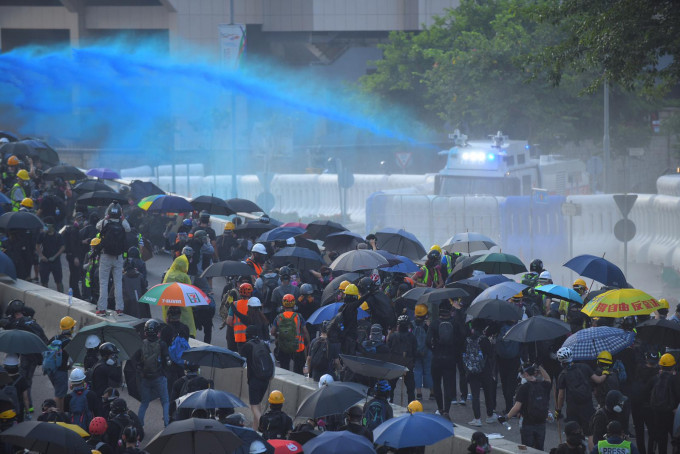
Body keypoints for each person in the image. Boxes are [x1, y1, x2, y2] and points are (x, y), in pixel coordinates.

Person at [556, 346, 607, 441]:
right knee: (590, 433)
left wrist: (558, 410)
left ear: (561, 361)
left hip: (572, 408)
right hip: (587, 405)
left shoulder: (562, 375)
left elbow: (561, 395)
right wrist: (605, 373)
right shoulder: (585, 367)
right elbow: (598, 380)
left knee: (573, 433)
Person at [499, 363, 552, 450]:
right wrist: (539, 366)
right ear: (534, 373)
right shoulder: (543, 385)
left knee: (527, 449)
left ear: (526, 374)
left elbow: (517, 407)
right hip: (541, 422)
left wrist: (506, 417)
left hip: (528, 423)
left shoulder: (523, 388)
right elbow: (548, 379)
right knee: (539, 449)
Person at [132, 319, 171, 427]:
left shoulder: (142, 344)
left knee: (144, 403)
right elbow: (168, 362)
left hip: (145, 378)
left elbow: (136, 361)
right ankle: (167, 424)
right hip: (159, 377)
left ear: (145, 333)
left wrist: (141, 372)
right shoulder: (162, 344)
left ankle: (139, 425)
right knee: (165, 401)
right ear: (158, 332)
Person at [96, 202, 131, 315]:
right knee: (118, 283)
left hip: (106, 255)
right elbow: (128, 229)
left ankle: (102, 308)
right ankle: (119, 308)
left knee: (104, 283)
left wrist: (106, 217)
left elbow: (97, 226)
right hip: (118, 257)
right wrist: (122, 218)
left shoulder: (105, 222)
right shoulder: (122, 223)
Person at [426, 301, 458, 420]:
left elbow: (428, 341)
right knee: (448, 384)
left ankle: (440, 408)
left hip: (437, 358)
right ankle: (447, 410)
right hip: (450, 358)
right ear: (450, 311)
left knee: (437, 384)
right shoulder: (454, 323)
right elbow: (461, 337)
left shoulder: (434, 324)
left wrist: (434, 349)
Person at [241, 325, 274, 430]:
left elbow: (242, 363)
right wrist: (271, 376)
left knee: (254, 406)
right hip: (266, 379)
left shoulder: (247, 346)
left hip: (254, 380)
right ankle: (255, 429)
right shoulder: (264, 344)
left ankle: (264, 426)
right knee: (258, 404)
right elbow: (272, 360)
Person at [465, 318, 497, 426]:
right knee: (488, 392)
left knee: (475, 395)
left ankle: (477, 418)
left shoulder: (469, 339)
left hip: (472, 370)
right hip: (485, 370)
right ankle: (489, 415)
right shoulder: (484, 340)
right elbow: (491, 354)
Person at [646, 353, 680, 454]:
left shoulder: (655, 378)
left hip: (657, 414)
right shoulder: (674, 379)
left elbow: (646, 393)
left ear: (660, 366)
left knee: (661, 441)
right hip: (671, 414)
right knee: (675, 438)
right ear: (673, 366)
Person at [271, 293, 309, 374]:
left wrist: (278, 335)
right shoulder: (299, 316)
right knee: (298, 371)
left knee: (284, 370)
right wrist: (307, 342)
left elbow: (272, 332)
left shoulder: (279, 317)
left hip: (283, 346)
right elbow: (305, 332)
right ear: (294, 304)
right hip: (298, 347)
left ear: (283, 304)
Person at [161, 254, 196, 337]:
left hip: (168, 303)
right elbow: (189, 293)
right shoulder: (185, 277)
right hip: (182, 305)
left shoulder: (168, 274)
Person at [45, 316, 76, 412]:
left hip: (51, 370)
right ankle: (59, 416)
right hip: (61, 372)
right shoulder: (69, 342)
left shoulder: (54, 338)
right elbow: (71, 360)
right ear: (70, 329)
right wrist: (69, 366)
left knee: (60, 394)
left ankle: (60, 413)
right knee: (59, 396)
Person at [387, 315, 417, 403]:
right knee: (410, 389)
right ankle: (411, 407)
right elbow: (415, 352)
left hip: (395, 365)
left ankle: (390, 404)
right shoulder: (412, 337)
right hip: (408, 365)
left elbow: (388, 350)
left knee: (391, 388)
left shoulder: (393, 336)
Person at [495, 320, 522, 415]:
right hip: (514, 360)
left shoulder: (500, 328)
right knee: (512, 383)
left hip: (502, 360)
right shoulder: (518, 328)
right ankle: (512, 408)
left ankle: (508, 407)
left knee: (504, 382)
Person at [36, 216, 65, 292]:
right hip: (45, 261)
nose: (44, 227)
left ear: (51, 225)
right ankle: (45, 296)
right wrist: (41, 256)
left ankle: (62, 297)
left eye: (46, 225)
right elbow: (37, 245)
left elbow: (62, 247)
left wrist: (55, 256)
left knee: (58, 281)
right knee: (44, 281)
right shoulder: (42, 235)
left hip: (55, 262)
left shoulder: (58, 236)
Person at [227, 282, 255, 354]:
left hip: (238, 337)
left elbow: (229, 321)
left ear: (240, 292)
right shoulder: (253, 305)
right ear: (250, 293)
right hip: (250, 336)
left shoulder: (234, 304)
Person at [62, 212, 85, 299]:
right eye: (79, 219)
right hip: (73, 256)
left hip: (72, 255)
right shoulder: (74, 229)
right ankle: (76, 294)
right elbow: (73, 244)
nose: (81, 221)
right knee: (75, 275)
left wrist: (82, 242)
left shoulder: (76, 229)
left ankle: (73, 291)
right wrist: (75, 257)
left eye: (82, 219)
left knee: (73, 275)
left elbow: (76, 242)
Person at [2, 354, 29, 422]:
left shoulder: (1, 378)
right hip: (18, 409)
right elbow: (25, 398)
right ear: (17, 366)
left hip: (3, 409)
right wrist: (27, 411)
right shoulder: (21, 379)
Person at [84, 237, 101, 304]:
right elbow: (84, 267)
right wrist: (89, 264)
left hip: (97, 280)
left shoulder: (102, 256)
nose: (92, 248)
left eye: (94, 247)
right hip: (89, 280)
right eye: (92, 246)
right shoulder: (88, 254)